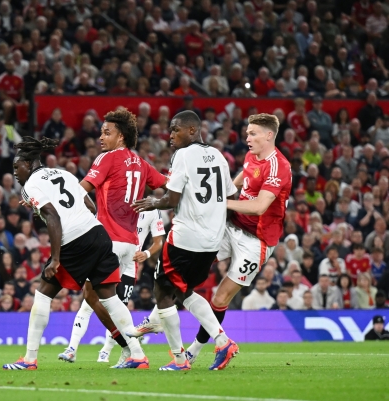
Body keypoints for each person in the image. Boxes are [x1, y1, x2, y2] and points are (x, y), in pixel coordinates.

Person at [2, 137, 148, 370]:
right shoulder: (64, 174)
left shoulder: (29, 186)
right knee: (110, 297)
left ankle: (29, 359)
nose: (16, 173)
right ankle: (137, 355)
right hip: (98, 234)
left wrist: (56, 258)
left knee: (43, 294)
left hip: (73, 241)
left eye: (17, 167)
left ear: (28, 165)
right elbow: (90, 206)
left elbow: (52, 215)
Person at [176, 113, 292, 366]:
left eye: (252, 133)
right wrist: (223, 190)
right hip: (232, 227)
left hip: (257, 241)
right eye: (247, 132)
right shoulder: (252, 156)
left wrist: (217, 202)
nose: (246, 138)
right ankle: (161, 319)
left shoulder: (279, 166)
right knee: (185, 269)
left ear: (269, 135)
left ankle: (196, 350)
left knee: (220, 298)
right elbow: (238, 180)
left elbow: (260, 206)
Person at [128, 111, 238, 371]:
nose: (170, 135)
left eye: (175, 130)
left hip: (186, 237)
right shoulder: (219, 156)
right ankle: (222, 341)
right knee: (182, 290)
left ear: (192, 130)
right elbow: (232, 199)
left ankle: (180, 359)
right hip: (211, 240)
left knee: (162, 289)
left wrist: (152, 202)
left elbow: (171, 199)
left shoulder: (183, 156)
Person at [58, 107, 167, 367]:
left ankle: (131, 349)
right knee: (102, 297)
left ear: (121, 137)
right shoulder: (142, 164)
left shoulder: (106, 159)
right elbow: (169, 185)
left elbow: (80, 189)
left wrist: (51, 202)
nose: (101, 138)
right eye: (101, 133)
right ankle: (133, 350)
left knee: (90, 295)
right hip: (130, 242)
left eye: (107, 133)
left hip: (107, 240)